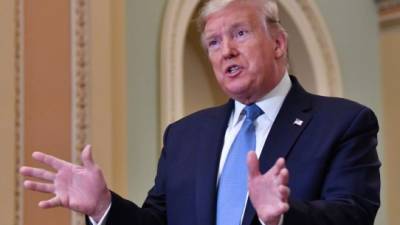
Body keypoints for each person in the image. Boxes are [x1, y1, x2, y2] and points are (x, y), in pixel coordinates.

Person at [20, 0, 381, 225]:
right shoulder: (185, 136)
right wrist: (103, 207)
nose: (226, 51)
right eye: (213, 42)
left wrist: (284, 217)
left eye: (239, 33)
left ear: (277, 43)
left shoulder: (343, 124)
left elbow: (354, 213)